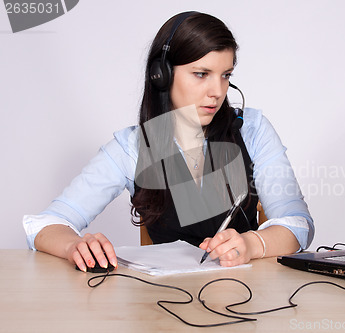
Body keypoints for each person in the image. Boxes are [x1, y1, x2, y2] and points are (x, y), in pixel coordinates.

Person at [23, 11, 314, 272]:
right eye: (201, 74)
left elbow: (298, 224)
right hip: (161, 306)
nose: (217, 91)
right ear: (161, 76)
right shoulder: (133, 147)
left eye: (226, 75)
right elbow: (45, 225)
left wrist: (252, 244)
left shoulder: (252, 130)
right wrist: (73, 246)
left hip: (242, 297)